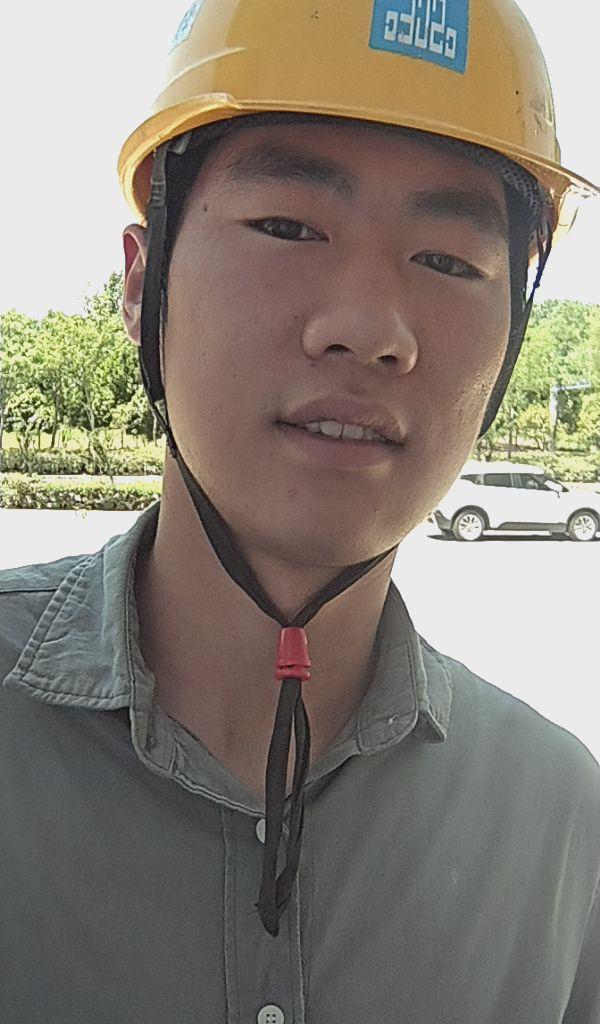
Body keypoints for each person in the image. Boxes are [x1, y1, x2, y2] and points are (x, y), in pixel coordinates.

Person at [1, 1, 598, 1020]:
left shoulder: (558, 825)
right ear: (141, 285)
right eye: (288, 227)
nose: (369, 328)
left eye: (448, 261)